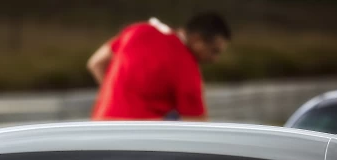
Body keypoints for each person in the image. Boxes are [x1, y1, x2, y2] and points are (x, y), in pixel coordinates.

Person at [87, 12, 231, 121]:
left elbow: (96, 63)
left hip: (101, 127)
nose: (215, 59)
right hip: (139, 139)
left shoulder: (138, 30)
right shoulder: (187, 66)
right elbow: (198, 125)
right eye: (214, 51)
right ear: (197, 39)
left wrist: (116, 94)